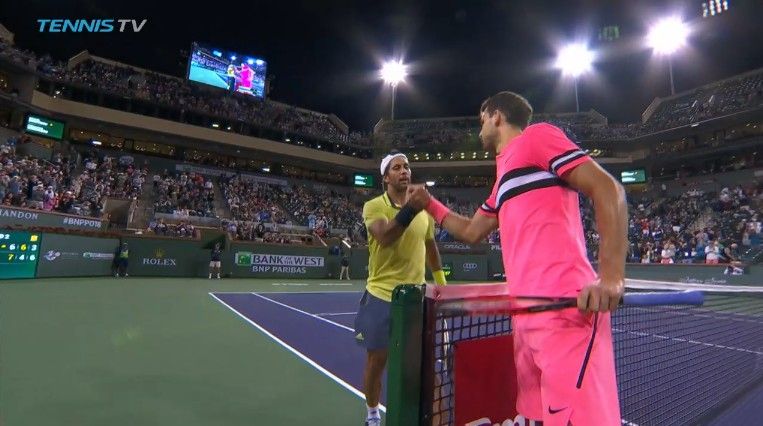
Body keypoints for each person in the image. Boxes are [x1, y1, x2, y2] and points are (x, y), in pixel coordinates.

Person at [408, 91, 628, 426]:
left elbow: (608, 189)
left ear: (496, 116)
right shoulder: (503, 178)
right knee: (534, 419)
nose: (480, 128)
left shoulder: (537, 137)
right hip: (524, 321)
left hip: (565, 313)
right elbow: (471, 231)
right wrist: (429, 204)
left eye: (482, 120)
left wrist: (610, 277)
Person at [355, 151, 447, 426]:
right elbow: (385, 236)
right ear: (386, 178)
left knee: (425, 366)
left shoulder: (424, 211)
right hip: (381, 297)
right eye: (397, 168)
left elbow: (430, 246)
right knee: (376, 363)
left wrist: (441, 284)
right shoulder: (374, 206)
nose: (404, 170)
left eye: (406, 166)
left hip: (416, 300)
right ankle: (373, 414)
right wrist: (413, 208)